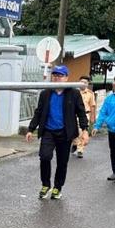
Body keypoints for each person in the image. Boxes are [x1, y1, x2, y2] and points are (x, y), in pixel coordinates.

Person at [25, 64, 88, 200]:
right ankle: (45, 184)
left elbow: (81, 112)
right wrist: (31, 129)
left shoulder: (74, 93)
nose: (57, 78)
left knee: (62, 162)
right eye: (55, 75)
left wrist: (85, 130)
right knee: (45, 157)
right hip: (48, 131)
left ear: (66, 78)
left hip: (65, 132)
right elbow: (39, 112)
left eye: (60, 75)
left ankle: (57, 187)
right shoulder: (46, 93)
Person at [73, 75, 97, 158]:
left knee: (81, 131)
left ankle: (80, 149)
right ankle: (75, 143)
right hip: (74, 114)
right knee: (74, 131)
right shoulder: (74, 92)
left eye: (85, 82)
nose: (83, 84)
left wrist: (93, 117)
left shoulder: (90, 93)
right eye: (81, 82)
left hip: (85, 114)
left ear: (87, 84)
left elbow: (92, 106)